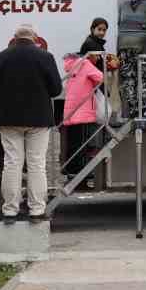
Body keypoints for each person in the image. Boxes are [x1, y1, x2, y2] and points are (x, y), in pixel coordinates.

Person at [0, 24, 63, 223]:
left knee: (12, 163)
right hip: (38, 119)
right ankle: (37, 210)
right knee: (37, 164)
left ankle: (10, 210)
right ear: (35, 38)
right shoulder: (45, 57)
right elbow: (56, 89)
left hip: (8, 118)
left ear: (14, 37)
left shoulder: (1, 57)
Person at [61, 51, 105, 188]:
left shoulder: (70, 65)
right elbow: (100, 77)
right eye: (96, 55)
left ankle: (71, 174)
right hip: (83, 110)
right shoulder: (84, 63)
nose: (97, 58)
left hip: (71, 111)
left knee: (73, 143)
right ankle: (80, 178)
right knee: (82, 145)